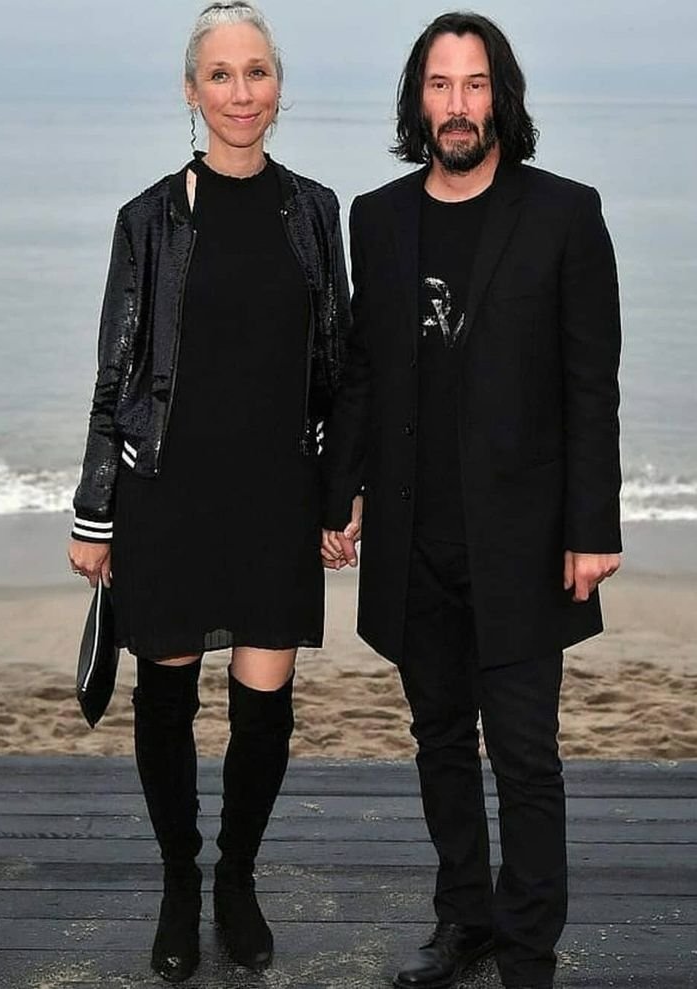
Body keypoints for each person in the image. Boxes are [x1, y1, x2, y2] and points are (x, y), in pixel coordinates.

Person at [322, 12, 622, 989]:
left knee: (528, 757)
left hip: (528, 542)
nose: (459, 105)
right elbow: (364, 369)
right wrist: (344, 494)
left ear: (503, 96)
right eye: (442, 85)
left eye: (477, 84)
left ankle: (528, 948)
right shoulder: (378, 214)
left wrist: (592, 528)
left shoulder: (565, 213)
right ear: (420, 98)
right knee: (440, 739)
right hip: (415, 538)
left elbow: (591, 382)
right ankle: (466, 921)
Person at [68, 2, 349, 981]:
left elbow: (334, 369)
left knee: (265, 704)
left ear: (279, 86)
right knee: (168, 698)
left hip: (276, 495)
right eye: (221, 75)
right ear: (193, 92)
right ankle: (180, 881)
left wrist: (336, 494)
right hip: (168, 495)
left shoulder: (316, 210)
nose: (242, 92)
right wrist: (94, 511)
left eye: (257, 72)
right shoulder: (146, 220)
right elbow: (117, 373)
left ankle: (238, 876)